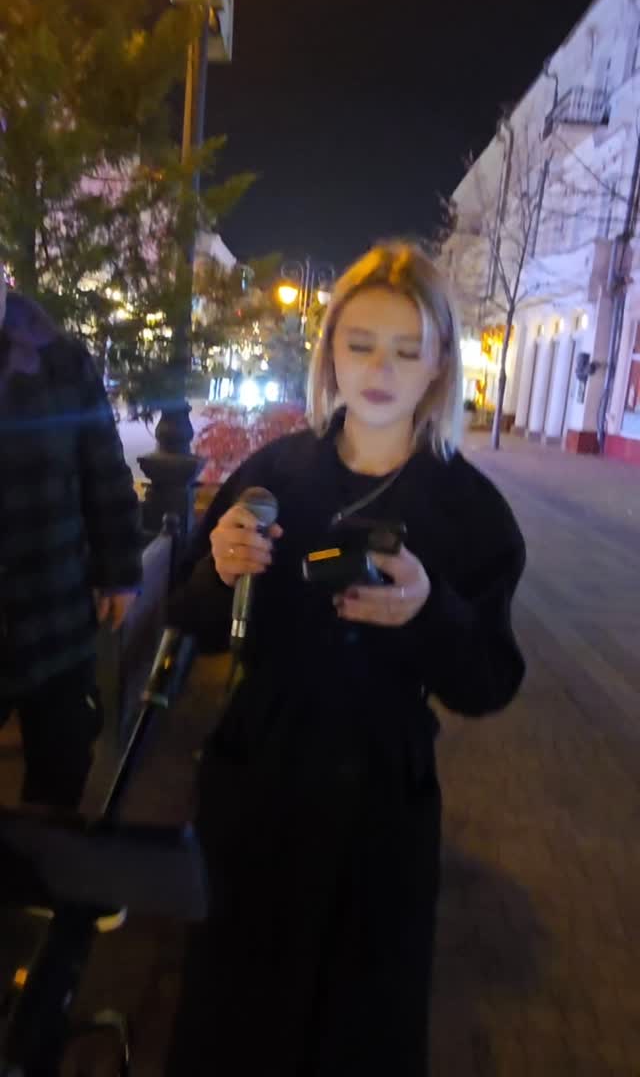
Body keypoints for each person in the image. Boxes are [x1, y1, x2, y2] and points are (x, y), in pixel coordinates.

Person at [165, 241, 526, 1077]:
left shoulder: (469, 511)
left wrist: (431, 611)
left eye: (406, 349)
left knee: (358, 1029)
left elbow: (488, 681)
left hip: (381, 802)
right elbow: (192, 620)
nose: (380, 369)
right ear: (329, 350)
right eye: (360, 343)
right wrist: (219, 571)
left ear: (440, 364)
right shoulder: (274, 473)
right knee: (233, 1019)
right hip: (258, 775)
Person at [0, 262, 143, 809]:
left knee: (60, 770)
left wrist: (120, 572)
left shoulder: (61, 360)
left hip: (52, 611)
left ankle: (47, 859)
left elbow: (103, 470)